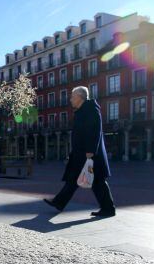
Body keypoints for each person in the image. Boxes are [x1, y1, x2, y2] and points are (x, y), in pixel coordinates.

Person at [43, 86, 116, 217]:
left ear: (80, 97)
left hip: (90, 154)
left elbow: (95, 131)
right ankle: (107, 208)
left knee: (94, 181)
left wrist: (91, 150)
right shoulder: (82, 110)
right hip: (82, 153)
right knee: (82, 180)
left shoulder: (91, 109)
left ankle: (108, 209)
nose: (70, 99)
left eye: (72, 96)